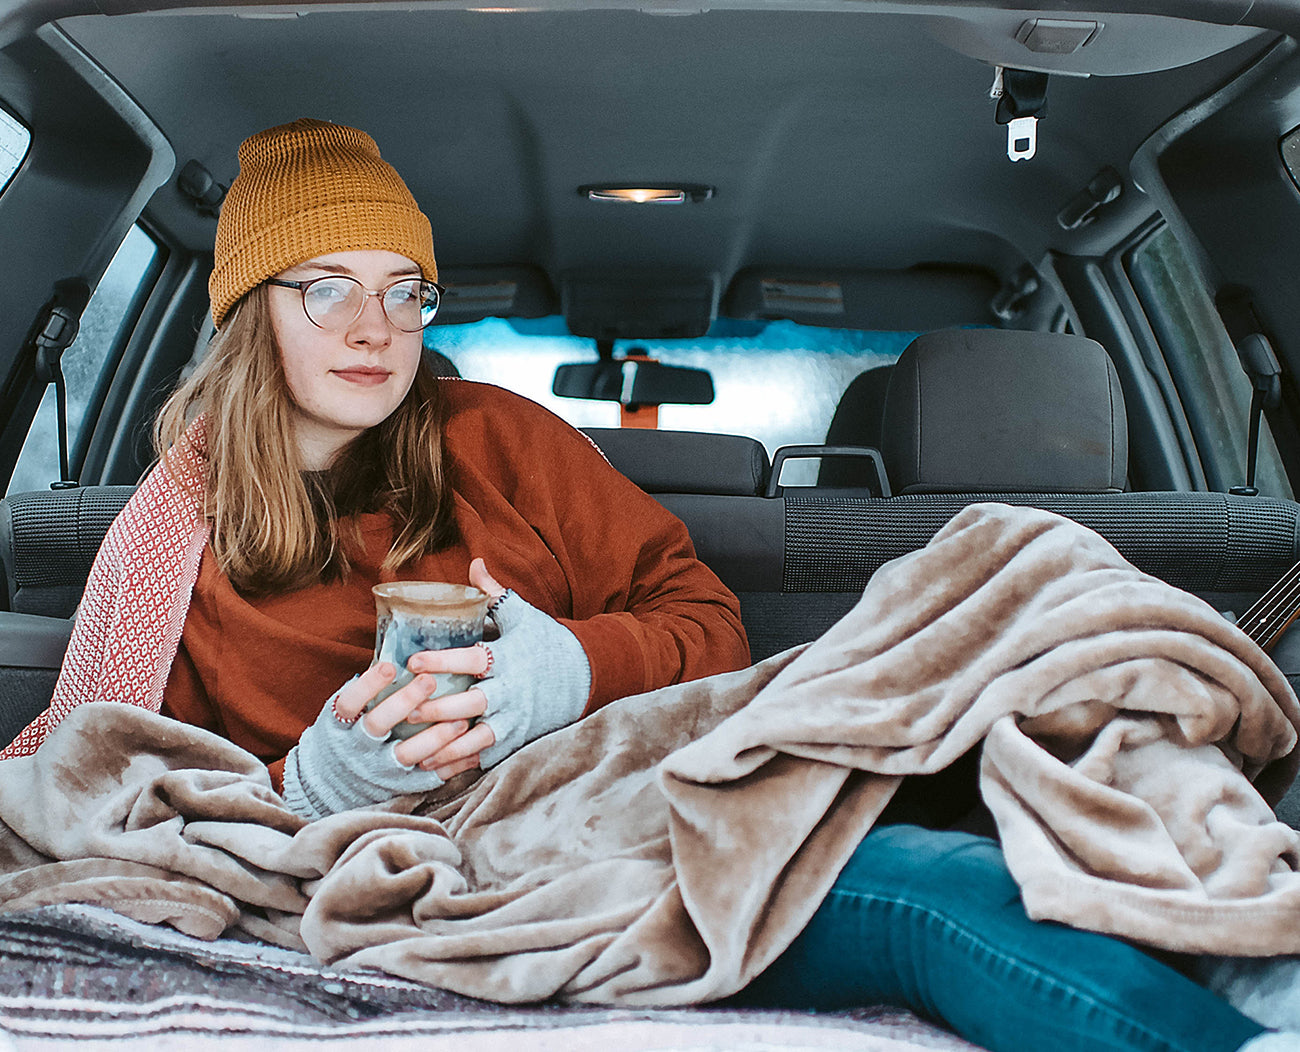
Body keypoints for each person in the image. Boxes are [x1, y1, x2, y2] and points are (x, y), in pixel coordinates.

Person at [5, 118, 1297, 1052]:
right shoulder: (168, 535)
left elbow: (708, 626)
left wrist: (563, 673)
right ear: (248, 312)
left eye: (406, 291)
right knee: (919, 892)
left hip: (606, 789)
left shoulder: (498, 442)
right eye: (327, 289)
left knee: (1024, 650)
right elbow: (112, 789)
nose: (375, 328)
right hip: (413, 863)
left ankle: (1247, 962)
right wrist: (317, 786)